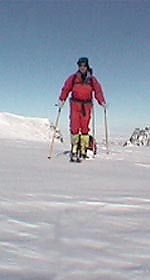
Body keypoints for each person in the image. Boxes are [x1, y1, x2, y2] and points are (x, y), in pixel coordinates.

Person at [58, 57, 106, 161]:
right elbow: (66, 89)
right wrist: (62, 100)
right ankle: (74, 147)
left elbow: (98, 91)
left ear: (87, 66)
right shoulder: (73, 78)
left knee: (84, 127)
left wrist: (101, 101)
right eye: (80, 65)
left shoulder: (92, 80)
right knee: (74, 126)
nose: (82, 67)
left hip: (87, 106)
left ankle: (84, 148)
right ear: (78, 66)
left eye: (84, 65)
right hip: (75, 105)